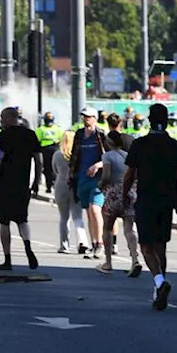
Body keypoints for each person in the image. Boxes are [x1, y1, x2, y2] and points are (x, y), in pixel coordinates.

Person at [124, 103, 177, 311]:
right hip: (167, 201)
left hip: (146, 200)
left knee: (146, 246)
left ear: (149, 120)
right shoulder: (175, 146)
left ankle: (159, 282)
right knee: (161, 245)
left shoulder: (140, 144)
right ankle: (159, 286)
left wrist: (125, 195)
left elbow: (129, 174)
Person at [0, 107, 41, 270]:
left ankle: (7, 259)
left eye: (2, 117)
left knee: (4, 221)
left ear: (8, 118)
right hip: (23, 183)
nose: (0, 120)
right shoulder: (30, 135)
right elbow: (38, 159)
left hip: (5, 184)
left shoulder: (3, 136)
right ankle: (27, 246)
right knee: (22, 219)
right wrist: (36, 180)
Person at [97, 125, 142, 277]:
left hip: (113, 194)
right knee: (129, 227)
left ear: (109, 142)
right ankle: (135, 259)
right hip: (129, 192)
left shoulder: (107, 156)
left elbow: (106, 175)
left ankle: (108, 262)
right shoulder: (126, 155)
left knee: (108, 227)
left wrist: (100, 185)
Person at [70, 107, 108, 258]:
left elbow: (108, 156)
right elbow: (74, 155)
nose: (85, 119)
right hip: (82, 177)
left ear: (94, 118)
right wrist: (71, 174)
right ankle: (94, 243)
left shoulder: (100, 135)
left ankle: (100, 244)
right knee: (88, 211)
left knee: (95, 209)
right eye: (83, 116)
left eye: (88, 117)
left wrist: (98, 165)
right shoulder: (79, 134)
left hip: (98, 179)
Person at [53, 131, 89, 254]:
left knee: (64, 217)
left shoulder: (58, 154)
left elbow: (54, 169)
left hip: (61, 184)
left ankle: (64, 245)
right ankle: (82, 241)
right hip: (76, 185)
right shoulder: (80, 154)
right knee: (78, 216)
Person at [36, 112, 62, 193]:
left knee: (55, 168)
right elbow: (37, 140)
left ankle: (54, 184)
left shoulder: (57, 128)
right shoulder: (41, 129)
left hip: (55, 148)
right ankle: (48, 186)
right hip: (45, 150)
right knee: (47, 169)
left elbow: (62, 138)